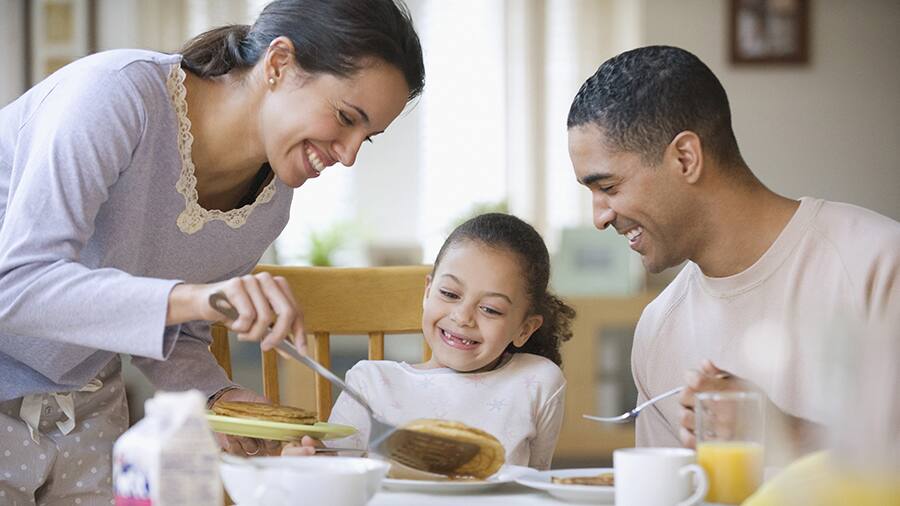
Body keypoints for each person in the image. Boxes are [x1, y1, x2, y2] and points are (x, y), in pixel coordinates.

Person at [0, 0, 424, 503]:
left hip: (87, 401)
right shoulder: (116, 97)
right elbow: (17, 285)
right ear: (279, 63)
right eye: (345, 117)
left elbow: (173, 332)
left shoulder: (270, 205)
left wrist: (222, 398)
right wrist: (201, 297)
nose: (349, 155)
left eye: (367, 138)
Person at [566, 45, 899, 455]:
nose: (599, 217)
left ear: (685, 158)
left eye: (609, 187)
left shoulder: (878, 264)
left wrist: (787, 434)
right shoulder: (658, 329)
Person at [283, 213, 576, 470]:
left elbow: (535, 483)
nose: (463, 317)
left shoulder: (536, 380)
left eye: (490, 309)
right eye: (449, 293)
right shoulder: (371, 383)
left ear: (525, 329)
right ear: (427, 292)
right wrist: (306, 465)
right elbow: (337, 477)